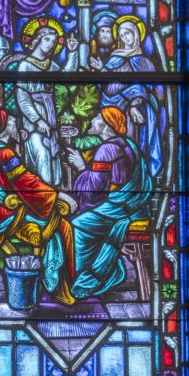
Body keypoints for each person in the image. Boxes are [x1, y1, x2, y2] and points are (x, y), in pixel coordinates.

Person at [0, 108, 75, 306]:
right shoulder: (3, 153)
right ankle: (59, 287)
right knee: (62, 227)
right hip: (7, 215)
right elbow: (25, 183)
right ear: (3, 129)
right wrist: (57, 195)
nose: (15, 124)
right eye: (11, 122)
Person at [67, 106, 153, 299]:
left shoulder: (107, 149)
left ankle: (97, 276)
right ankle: (107, 269)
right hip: (133, 204)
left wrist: (81, 167)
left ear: (106, 126)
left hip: (119, 207)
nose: (92, 121)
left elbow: (94, 190)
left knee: (78, 225)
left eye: (97, 117)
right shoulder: (127, 144)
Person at [89, 15, 163, 178]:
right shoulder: (113, 59)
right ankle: (116, 180)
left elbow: (154, 93)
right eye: (121, 35)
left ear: (136, 34)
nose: (124, 38)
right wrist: (102, 71)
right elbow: (105, 88)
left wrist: (136, 103)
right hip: (113, 112)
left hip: (136, 116)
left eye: (128, 33)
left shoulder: (145, 62)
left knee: (135, 147)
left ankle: (138, 180)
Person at [15, 18, 78, 186]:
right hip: (33, 120)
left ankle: (54, 193)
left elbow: (67, 77)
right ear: (37, 40)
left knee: (53, 155)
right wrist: (37, 120)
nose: (51, 44)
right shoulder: (25, 66)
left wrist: (72, 52)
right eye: (47, 39)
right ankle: (42, 197)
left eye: (54, 41)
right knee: (41, 153)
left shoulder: (51, 65)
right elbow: (22, 97)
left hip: (51, 117)